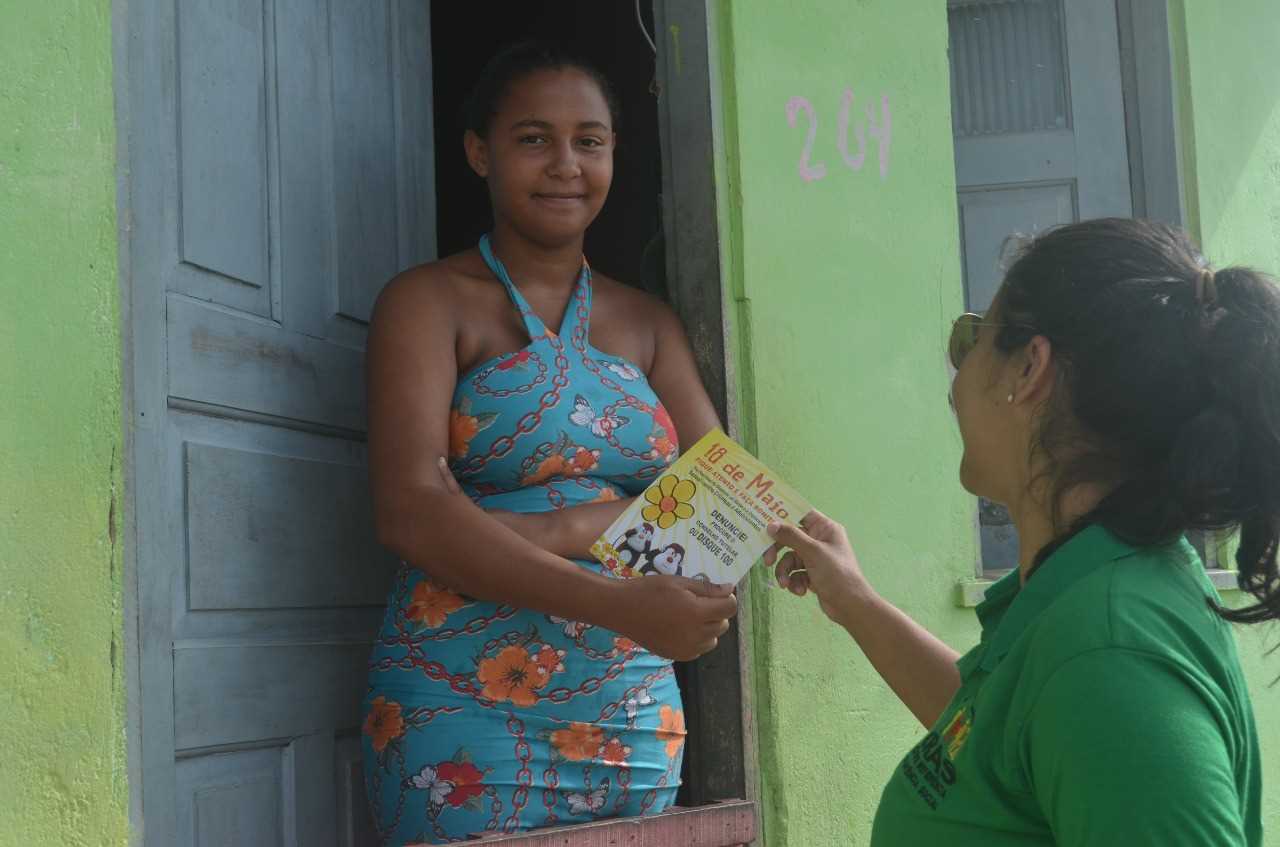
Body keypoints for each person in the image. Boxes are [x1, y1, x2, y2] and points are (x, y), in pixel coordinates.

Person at [766, 218, 1272, 846]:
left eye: (970, 339)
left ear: (1028, 367)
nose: (955, 380)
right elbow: (999, 738)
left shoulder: (1110, 654)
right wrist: (854, 602)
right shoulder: (1089, 582)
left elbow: (1087, 707)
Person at [361, 42, 735, 845]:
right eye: (534, 138)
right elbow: (409, 510)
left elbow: (723, 501)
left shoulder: (649, 323)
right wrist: (617, 586)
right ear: (478, 152)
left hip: (628, 702)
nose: (565, 164)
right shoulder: (427, 302)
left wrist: (557, 529)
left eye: (589, 141)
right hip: (458, 701)